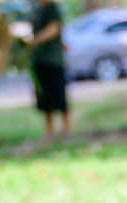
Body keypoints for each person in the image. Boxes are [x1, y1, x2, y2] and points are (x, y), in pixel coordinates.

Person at [28, 0, 71, 140]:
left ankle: (66, 129)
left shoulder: (52, 8)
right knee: (44, 97)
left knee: (59, 94)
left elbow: (54, 28)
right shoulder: (37, 10)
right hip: (39, 60)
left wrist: (35, 41)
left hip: (53, 60)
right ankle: (50, 131)